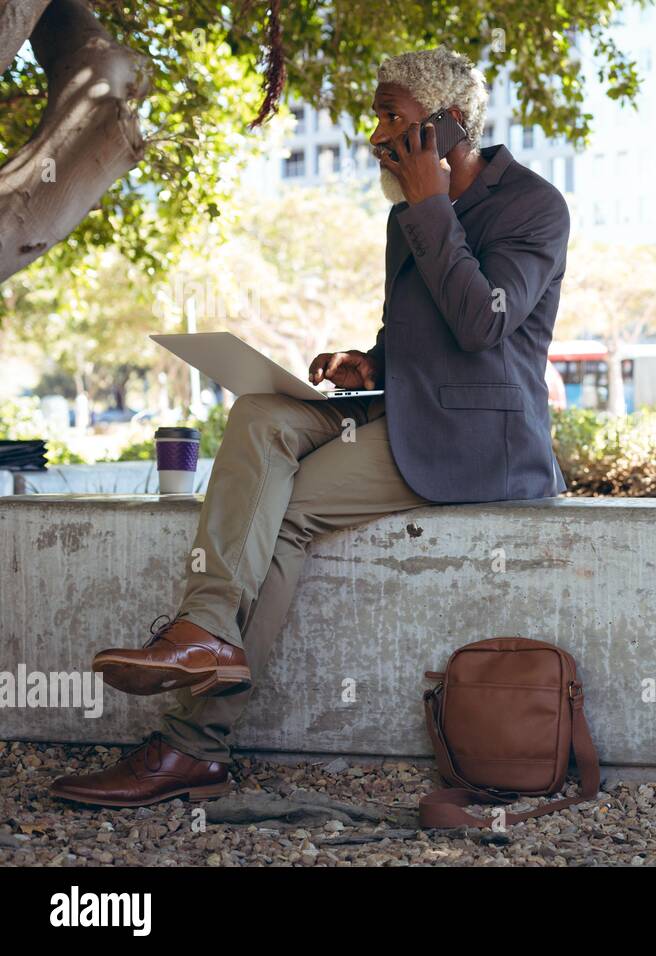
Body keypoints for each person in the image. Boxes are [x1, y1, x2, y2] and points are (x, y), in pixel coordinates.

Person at [51, 47, 570, 807]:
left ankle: (194, 746)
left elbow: (482, 323)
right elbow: (425, 330)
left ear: (447, 126)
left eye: (392, 117)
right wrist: (373, 358)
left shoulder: (531, 205)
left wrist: (429, 205)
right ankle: (204, 633)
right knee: (260, 413)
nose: (374, 136)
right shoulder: (409, 214)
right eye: (376, 117)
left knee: (283, 515)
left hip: (477, 440)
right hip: (403, 404)